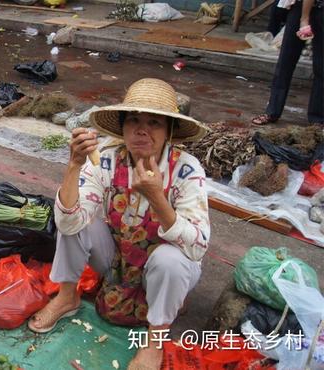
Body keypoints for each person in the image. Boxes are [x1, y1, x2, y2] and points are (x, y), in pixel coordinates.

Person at [27, 78, 211, 370]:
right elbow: (68, 220)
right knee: (78, 222)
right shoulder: (107, 158)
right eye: (134, 120)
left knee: (170, 260)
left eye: (154, 123)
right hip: (118, 259)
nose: (142, 130)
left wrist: (157, 199)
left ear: (170, 131)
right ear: (122, 126)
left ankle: (155, 341)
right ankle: (66, 297)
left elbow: (198, 245)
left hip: (163, 267)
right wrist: (74, 165)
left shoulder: (186, 170)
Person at [252, 0, 322, 125]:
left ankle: (318, 119)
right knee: (285, 61)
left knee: (321, 68)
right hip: (300, 9)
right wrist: (304, 19)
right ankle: (272, 111)